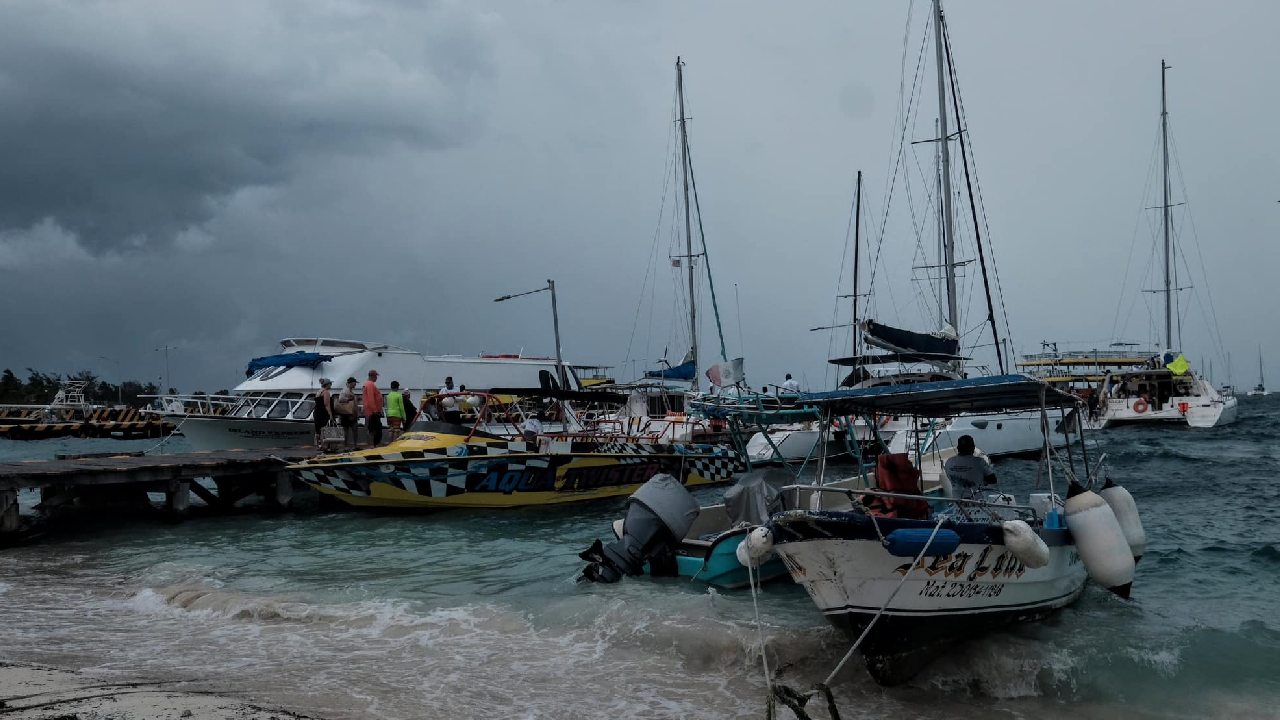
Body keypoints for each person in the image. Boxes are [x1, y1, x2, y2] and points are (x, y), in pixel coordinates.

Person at [942, 434, 997, 500]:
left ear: (958, 448)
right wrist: (982, 481)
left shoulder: (949, 462)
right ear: (973, 448)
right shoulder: (979, 462)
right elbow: (993, 480)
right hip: (976, 503)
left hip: (958, 503)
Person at [336, 377, 359, 450]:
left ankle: (353, 445)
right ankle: (346, 445)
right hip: (347, 414)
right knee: (348, 430)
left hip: (352, 414)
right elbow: (340, 400)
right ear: (351, 383)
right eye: (355, 383)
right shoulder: (345, 391)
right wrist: (348, 399)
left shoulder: (350, 391)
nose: (355, 384)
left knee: (353, 430)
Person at [363, 370, 384, 447]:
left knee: (374, 428)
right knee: (373, 429)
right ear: (373, 376)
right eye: (376, 376)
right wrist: (375, 410)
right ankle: (372, 444)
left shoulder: (368, 384)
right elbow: (371, 398)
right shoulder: (370, 384)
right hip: (372, 412)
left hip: (372, 411)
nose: (376, 378)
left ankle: (374, 443)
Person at [313, 378, 334, 448]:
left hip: (317, 412)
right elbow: (327, 404)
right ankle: (324, 445)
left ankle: (318, 445)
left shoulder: (319, 392)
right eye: (330, 384)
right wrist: (330, 414)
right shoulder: (326, 392)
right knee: (325, 429)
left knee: (318, 430)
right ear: (327, 384)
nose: (331, 385)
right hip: (323, 413)